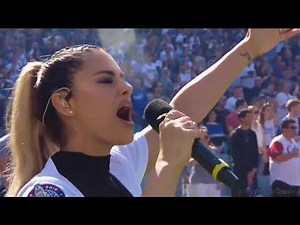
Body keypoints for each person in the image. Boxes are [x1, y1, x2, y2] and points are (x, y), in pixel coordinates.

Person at [5, 29, 300, 197]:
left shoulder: (119, 164)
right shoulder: (46, 192)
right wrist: (169, 165)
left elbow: (182, 110)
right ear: (64, 102)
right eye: (106, 80)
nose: (127, 88)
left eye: (124, 78)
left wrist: (248, 49)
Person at [185, 126, 223, 197]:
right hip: (197, 182)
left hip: (213, 183)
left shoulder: (214, 150)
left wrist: (220, 181)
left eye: (206, 137)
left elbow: (220, 167)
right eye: (201, 138)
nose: (204, 140)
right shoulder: (192, 150)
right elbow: (189, 162)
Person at [230, 109, 259, 197]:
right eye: (249, 117)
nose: (251, 119)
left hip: (252, 171)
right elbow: (235, 155)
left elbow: (255, 152)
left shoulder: (252, 134)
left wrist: (253, 170)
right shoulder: (235, 135)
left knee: (253, 194)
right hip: (240, 172)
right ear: (242, 118)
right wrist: (247, 173)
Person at [269, 119, 300, 197]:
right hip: (281, 182)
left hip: (294, 183)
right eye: (292, 128)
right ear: (284, 129)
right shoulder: (278, 141)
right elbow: (275, 158)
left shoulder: (294, 143)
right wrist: (291, 155)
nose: (295, 130)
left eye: (296, 128)